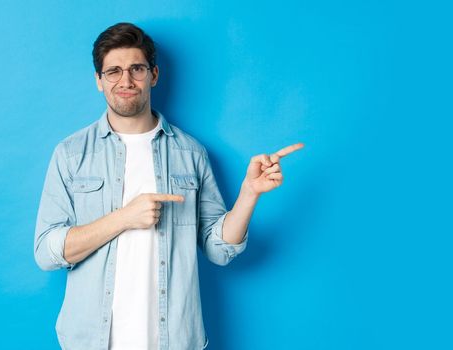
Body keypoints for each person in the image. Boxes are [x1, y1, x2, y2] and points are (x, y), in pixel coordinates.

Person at [33, 22, 303, 350]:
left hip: (175, 340)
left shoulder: (190, 153)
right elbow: (47, 252)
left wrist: (249, 194)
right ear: (99, 82)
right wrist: (124, 217)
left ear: (154, 75)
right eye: (113, 71)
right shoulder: (71, 153)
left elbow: (219, 250)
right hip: (91, 341)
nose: (126, 80)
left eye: (136, 68)